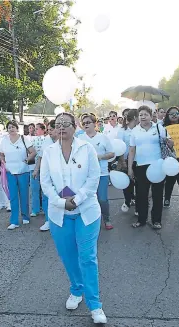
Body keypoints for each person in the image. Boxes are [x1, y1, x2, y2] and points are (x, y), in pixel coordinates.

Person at [40, 113, 107, 324]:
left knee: (87, 258)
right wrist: (61, 203)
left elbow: (93, 178)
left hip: (86, 212)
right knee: (68, 256)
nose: (61, 128)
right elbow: (45, 182)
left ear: (74, 126)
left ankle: (95, 305)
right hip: (59, 214)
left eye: (65, 124)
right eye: (57, 125)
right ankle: (76, 290)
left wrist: (77, 199)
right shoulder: (49, 151)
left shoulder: (86, 148)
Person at [128, 106, 174, 229]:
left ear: (151, 115)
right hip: (141, 167)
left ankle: (156, 221)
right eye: (140, 114)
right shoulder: (135, 131)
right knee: (141, 194)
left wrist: (169, 141)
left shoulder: (159, 127)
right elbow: (132, 150)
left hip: (158, 165)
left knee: (157, 194)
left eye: (145, 114)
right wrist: (130, 168)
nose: (143, 117)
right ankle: (141, 220)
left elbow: (170, 142)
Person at [79, 114, 115, 230]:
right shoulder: (80, 139)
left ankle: (107, 218)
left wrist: (99, 157)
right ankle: (92, 220)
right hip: (85, 175)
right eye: (83, 123)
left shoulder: (103, 137)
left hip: (102, 174)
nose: (86, 125)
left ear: (94, 124)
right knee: (87, 199)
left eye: (88, 122)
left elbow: (112, 153)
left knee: (102, 198)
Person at [0, 120, 36, 230]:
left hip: (23, 171)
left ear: (17, 128)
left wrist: (27, 160)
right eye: (9, 127)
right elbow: (1, 155)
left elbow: (33, 152)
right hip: (10, 172)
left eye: (13, 127)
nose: (11, 129)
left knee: (24, 195)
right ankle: (14, 221)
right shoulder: (4, 140)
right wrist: (4, 163)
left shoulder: (24, 139)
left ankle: (25, 216)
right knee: (13, 197)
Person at [34, 119, 58, 231]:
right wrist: (36, 170)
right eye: (48, 130)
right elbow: (40, 156)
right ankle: (48, 221)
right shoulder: (46, 141)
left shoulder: (65, 141)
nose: (49, 132)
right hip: (48, 173)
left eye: (51, 130)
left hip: (61, 175)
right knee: (46, 196)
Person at [117, 109, 139, 214]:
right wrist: (123, 161)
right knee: (127, 183)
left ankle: (138, 205)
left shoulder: (139, 130)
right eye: (139, 116)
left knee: (138, 183)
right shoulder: (122, 131)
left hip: (138, 160)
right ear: (135, 117)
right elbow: (119, 147)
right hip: (126, 160)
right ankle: (128, 200)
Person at [163, 106, 179, 208]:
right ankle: (167, 199)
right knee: (169, 181)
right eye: (172, 114)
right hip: (169, 158)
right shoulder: (162, 128)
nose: (174, 115)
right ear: (168, 116)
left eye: (176, 113)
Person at [29, 123, 46, 217]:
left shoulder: (47, 140)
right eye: (35, 129)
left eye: (37, 129)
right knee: (34, 189)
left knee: (44, 189)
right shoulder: (31, 140)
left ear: (43, 130)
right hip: (33, 167)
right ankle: (35, 209)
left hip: (44, 168)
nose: (35, 130)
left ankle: (44, 208)